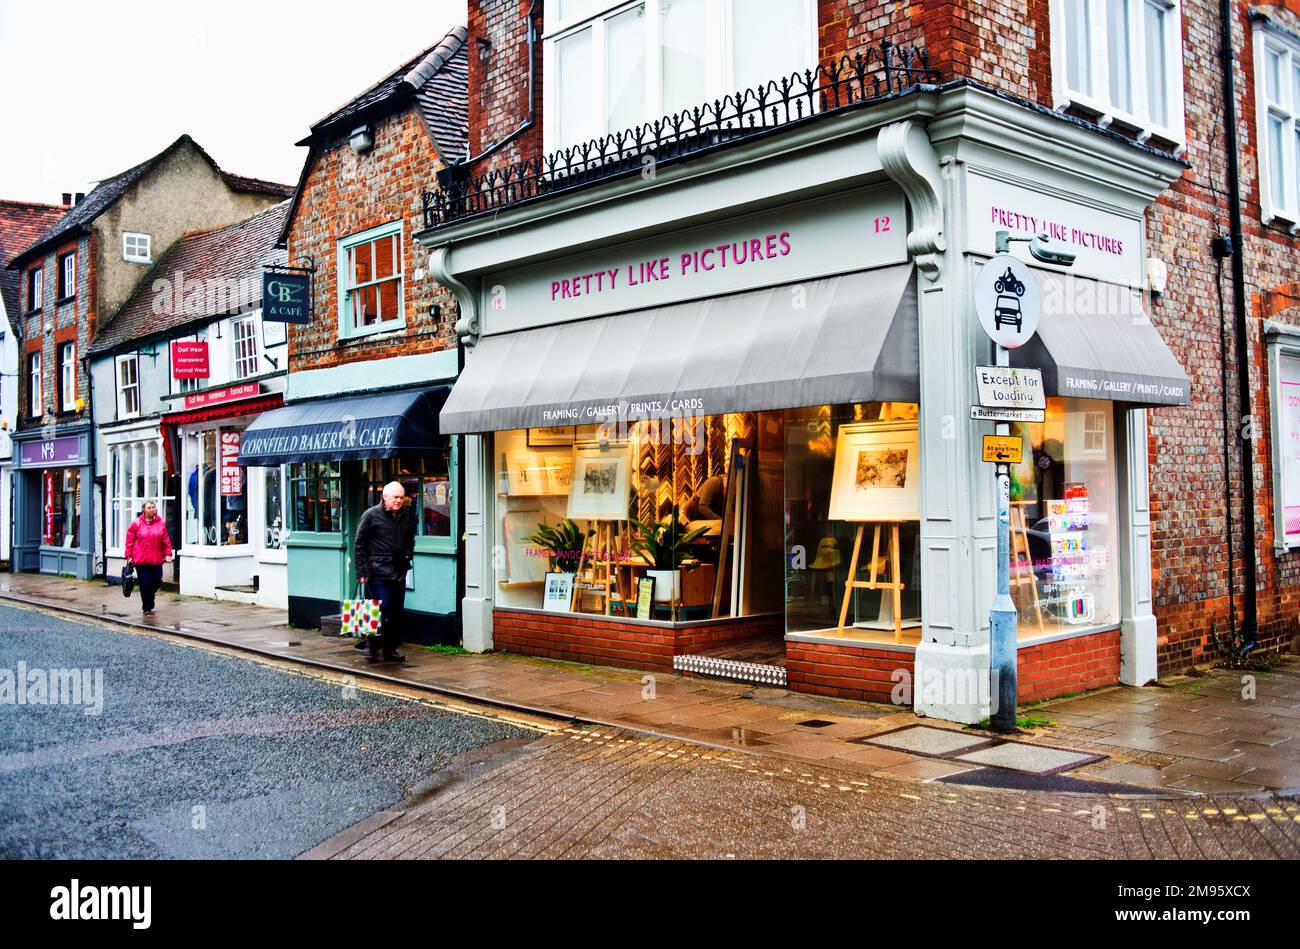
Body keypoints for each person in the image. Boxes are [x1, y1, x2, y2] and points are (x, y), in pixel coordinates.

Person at [353, 481, 414, 662]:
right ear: (385, 497)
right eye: (395, 497)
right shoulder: (371, 515)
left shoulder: (405, 516)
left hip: (398, 572)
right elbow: (359, 544)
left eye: (401, 497)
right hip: (376, 572)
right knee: (381, 606)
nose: (398, 501)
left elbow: (410, 539)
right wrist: (361, 571)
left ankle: (390, 649)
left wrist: (408, 555)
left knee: (396, 611)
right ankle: (371, 645)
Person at [124, 501, 174, 616]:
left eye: (153, 507)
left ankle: (150, 597)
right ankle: (147, 606)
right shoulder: (136, 523)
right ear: (144, 510)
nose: (152, 509)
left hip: (156, 559)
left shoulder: (161, 523)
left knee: (156, 581)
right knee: (145, 583)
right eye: (149, 507)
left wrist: (168, 554)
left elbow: (166, 540)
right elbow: (129, 540)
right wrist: (129, 555)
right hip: (141, 559)